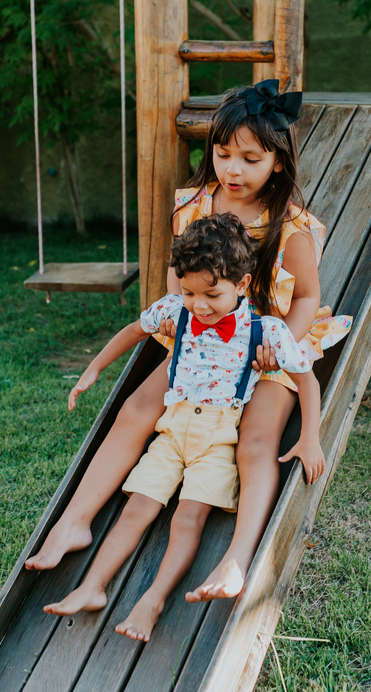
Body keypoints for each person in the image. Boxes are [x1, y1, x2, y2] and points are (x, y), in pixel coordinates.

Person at [26, 79, 351, 605]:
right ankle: (75, 522)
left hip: (268, 338)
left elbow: (308, 299)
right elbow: (180, 279)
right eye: (223, 154)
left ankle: (237, 558)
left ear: (277, 161)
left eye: (249, 158)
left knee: (258, 439)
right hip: (205, 337)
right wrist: (181, 314)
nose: (233, 170)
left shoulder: (290, 227)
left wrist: (281, 345)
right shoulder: (195, 206)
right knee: (136, 407)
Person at [44, 213, 323, 641]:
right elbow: (134, 331)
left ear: (242, 286)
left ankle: (151, 602)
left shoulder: (265, 330)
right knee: (137, 507)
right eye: (190, 292)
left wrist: (310, 438)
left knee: (188, 518)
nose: (200, 305)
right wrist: (94, 369)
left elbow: (306, 380)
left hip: (217, 439)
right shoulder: (178, 310)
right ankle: (92, 586)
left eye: (212, 293)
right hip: (171, 430)